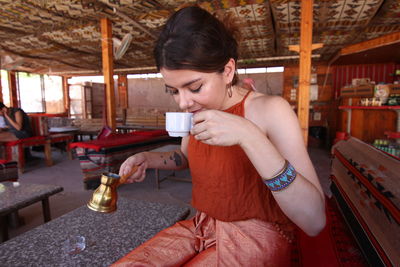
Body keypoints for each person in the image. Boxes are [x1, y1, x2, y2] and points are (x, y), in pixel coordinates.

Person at [116, 6, 326, 266]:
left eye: (194, 87)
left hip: (257, 235)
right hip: (201, 226)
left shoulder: (271, 110)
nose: (183, 102)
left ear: (227, 71)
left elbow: (314, 219)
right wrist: (148, 158)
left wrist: (249, 135)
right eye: (173, 90)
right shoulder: (197, 110)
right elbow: (186, 156)